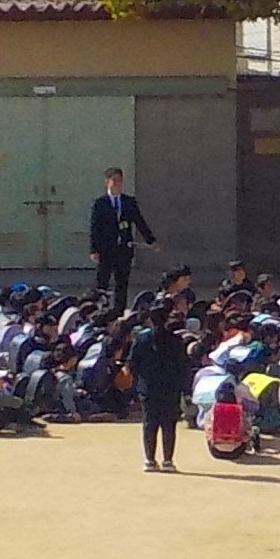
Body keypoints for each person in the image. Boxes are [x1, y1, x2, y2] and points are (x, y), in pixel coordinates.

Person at [127, 299, 187, 472]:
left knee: (149, 423)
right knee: (169, 424)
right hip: (170, 388)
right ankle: (167, 460)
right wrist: (184, 388)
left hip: (148, 387)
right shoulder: (176, 340)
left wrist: (139, 381)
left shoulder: (141, 339)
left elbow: (132, 364)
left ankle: (149, 460)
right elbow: (183, 366)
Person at [89, 167, 157, 315]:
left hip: (124, 249)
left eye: (119, 180)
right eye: (114, 180)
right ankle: (98, 310)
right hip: (106, 249)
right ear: (107, 182)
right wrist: (94, 250)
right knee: (102, 281)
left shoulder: (129, 202)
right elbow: (95, 227)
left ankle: (119, 311)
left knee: (122, 282)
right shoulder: (100, 203)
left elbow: (139, 222)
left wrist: (151, 240)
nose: (117, 184)